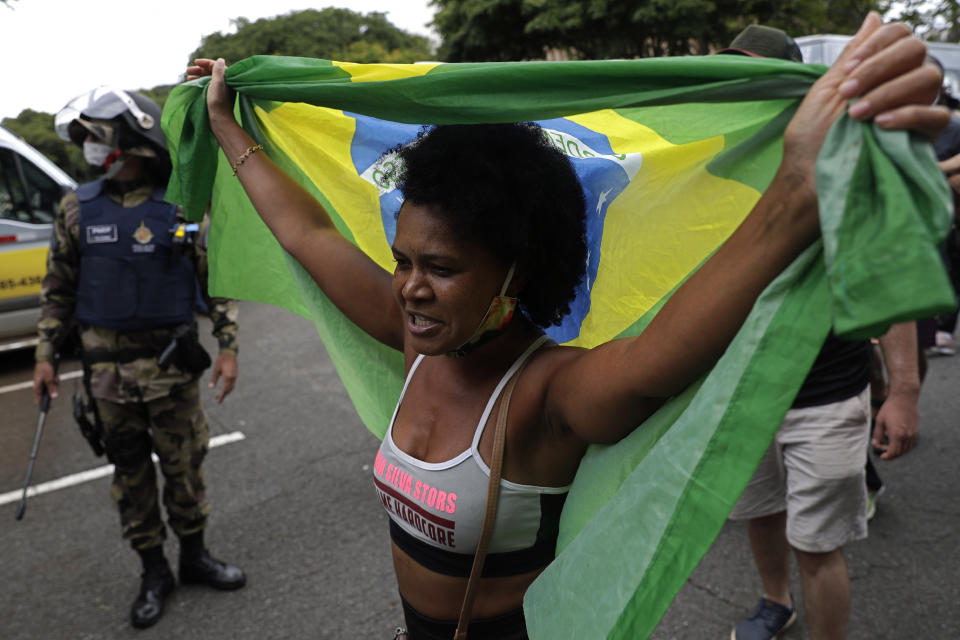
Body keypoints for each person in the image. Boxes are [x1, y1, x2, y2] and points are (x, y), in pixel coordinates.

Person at [187, 13, 944, 640]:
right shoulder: (417, 337)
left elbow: (656, 355)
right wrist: (227, 125)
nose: (410, 287)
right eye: (401, 259)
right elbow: (308, 235)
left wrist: (795, 190)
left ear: (518, 272)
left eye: (442, 268)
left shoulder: (552, 395)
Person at [717, 26, 923, 640]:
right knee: (759, 512)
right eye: (733, 74)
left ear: (793, 86)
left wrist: (905, 391)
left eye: (755, 75)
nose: (741, 89)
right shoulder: (715, 165)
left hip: (825, 396)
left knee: (818, 546)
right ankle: (773, 602)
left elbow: (890, 284)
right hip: (739, 396)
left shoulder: (841, 164)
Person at [32, 87, 246, 629]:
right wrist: (44, 356)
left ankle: (194, 557)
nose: (91, 148)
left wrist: (228, 347)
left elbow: (215, 279)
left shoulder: (178, 204)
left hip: (172, 372)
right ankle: (155, 572)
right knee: (131, 481)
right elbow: (58, 289)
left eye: (98, 138)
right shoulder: (75, 208)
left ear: (133, 142)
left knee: (185, 470)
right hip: (107, 381)